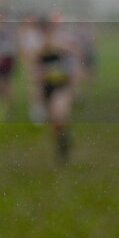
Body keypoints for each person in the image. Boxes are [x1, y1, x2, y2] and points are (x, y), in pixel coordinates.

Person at [34, 15, 80, 164]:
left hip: (62, 84)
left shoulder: (62, 39)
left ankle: (63, 143)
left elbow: (75, 53)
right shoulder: (36, 42)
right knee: (54, 120)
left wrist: (57, 46)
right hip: (47, 86)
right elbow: (32, 60)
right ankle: (61, 141)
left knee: (60, 113)